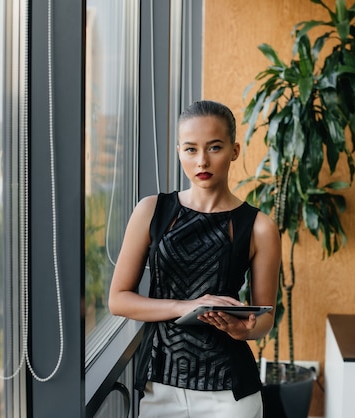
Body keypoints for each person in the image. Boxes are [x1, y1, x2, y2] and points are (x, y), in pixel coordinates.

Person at [108, 100, 281, 418]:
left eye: (215, 147)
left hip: (230, 395)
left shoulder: (260, 227)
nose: (202, 160)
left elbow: (266, 318)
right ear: (178, 151)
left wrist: (245, 330)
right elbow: (118, 300)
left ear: (234, 150)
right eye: (190, 149)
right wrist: (184, 306)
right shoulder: (151, 211)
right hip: (160, 386)